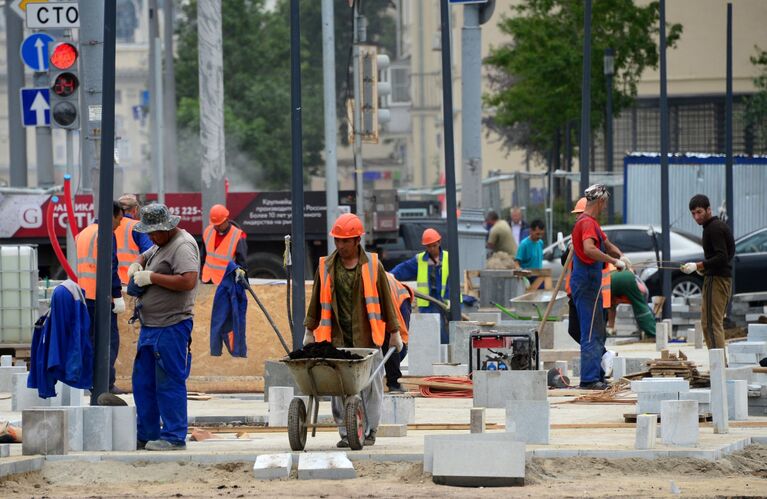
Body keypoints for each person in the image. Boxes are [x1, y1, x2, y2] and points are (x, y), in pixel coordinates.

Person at [304, 213, 402, 448]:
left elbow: (386, 300)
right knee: (339, 388)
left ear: (357, 240)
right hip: (336, 338)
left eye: (344, 241)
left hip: (368, 338)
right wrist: (310, 330)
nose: (340, 245)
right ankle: (346, 433)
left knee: (372, 387)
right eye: (337, 240)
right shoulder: (326, 266)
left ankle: (370, 431)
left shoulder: (372, 265)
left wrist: (394, 331)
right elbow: (316, 300)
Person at [129, 203, 200, 451]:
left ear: (168, 227)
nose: (150, 237)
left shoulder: (182, 246)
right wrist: (138, 263)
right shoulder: (161, 243)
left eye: (153, 232)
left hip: (172, 326)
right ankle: (147, 434)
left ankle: (173, 436)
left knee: (169, 381)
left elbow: (188, 280)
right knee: (144, 383)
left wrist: (151, 277)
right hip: (151, 326)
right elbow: (148, 253)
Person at [570, 185, 629, 390]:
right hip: (586, 283)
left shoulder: (592, 223)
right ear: (601, 202)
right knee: (590, 332)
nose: (605, 208)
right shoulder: (586, 223)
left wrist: (621, 256)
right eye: (605, 204)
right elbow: (589, 248)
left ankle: (597, 375)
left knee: (596, 331)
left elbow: (606, 242)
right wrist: (613, 260)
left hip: (590, 284)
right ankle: (589, 379)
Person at [75, 201, 125, 394]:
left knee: (91, 341)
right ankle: (106, 384)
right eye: (119, 219)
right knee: (109, 341)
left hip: (85, 296)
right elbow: (109, 267)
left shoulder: (85, 233)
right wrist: (117, 295)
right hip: (100, 298)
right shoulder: (105, 234)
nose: (120, 224)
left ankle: (91, 382)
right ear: (110, 216)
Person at [681, 194, 735, 353]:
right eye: (693, 214)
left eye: (699, 212)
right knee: (708, 323)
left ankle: (718, 366)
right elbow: (728, 253)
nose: (696, 217)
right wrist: (703, 269)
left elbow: (722, 257)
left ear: (708, 209)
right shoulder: (715, 226)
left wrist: (699, 265)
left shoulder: (714, 228)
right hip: (717, 278)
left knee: (712, 324)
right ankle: (718, 365)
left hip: (717, 281)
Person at [391, 228, 453, 343]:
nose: (431, 249)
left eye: (434, 245)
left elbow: (452, 280)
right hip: (428, 304)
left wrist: (450, 298)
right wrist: (391, 275)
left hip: (445, 302)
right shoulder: (420, 260)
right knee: (433, 332)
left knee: (450, 331)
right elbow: (404, 268)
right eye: (429, 246)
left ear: (439, 242)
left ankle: (447, 353)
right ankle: (439, 355)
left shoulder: (448, 258)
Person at [201, 204, 248, 285]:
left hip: (226, 282)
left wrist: (241, 282)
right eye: (215, 224)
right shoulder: (208, 231)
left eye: (219, 225)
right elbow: (203, 256)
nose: (217, 227)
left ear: (226, 219)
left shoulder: (237, 235)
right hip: (207, 279)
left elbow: (242, 262)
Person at [383, 272, 413, 393]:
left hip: (388, 322)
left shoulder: (402, 296)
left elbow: (400, 332)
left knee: (393, 342)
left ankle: (394, 383)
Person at [116, 194, 154, 284]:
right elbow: (149, 254)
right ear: (135, 209)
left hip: (111, 283)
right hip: (132, 282)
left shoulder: (107, 225)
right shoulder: (137, 227)